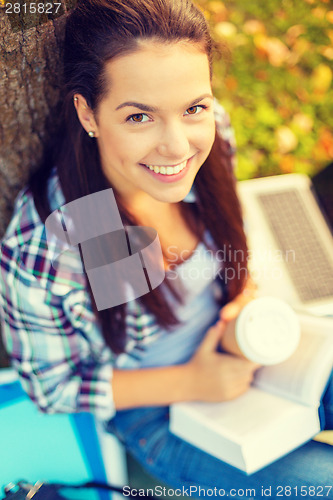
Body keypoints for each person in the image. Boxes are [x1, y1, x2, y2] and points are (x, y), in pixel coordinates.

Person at [0, 0, 331, 497]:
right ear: (87, 113)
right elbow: (53, 388)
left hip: (248, 343)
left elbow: (227, 242)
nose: (177, 147)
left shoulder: (212, 129)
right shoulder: (52, 244)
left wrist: (244, 295)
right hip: (160, 410)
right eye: (139, 117)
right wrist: (196, 382)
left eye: (192, 107)